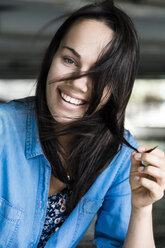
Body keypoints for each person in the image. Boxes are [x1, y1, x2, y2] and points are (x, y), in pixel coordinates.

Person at [0, 0, 165, 247]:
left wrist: (141, 208)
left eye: (100, 74)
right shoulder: (4, 129)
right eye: (69, 60)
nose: (79, 83)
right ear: (52, 56)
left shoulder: (121, 155)